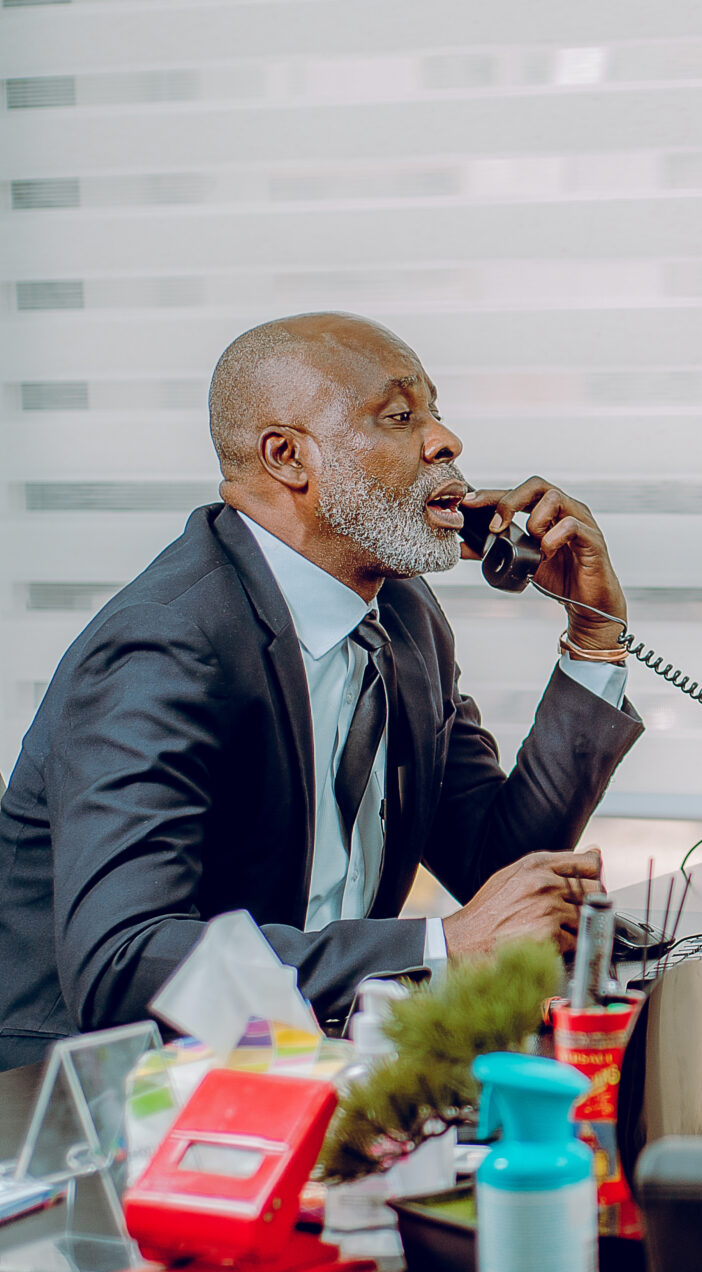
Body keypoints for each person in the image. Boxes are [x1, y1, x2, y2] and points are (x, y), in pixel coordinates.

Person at [0, 312, 646, 1070]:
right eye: (402, 417)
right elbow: (124, 963)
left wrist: (592, 638)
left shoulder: (403, 619)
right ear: (288, 457)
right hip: (100, 1104)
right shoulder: (165, 643)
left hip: (302, 1066)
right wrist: (440, 947)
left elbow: (495, 864)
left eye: (435, 413)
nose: (445, 443)